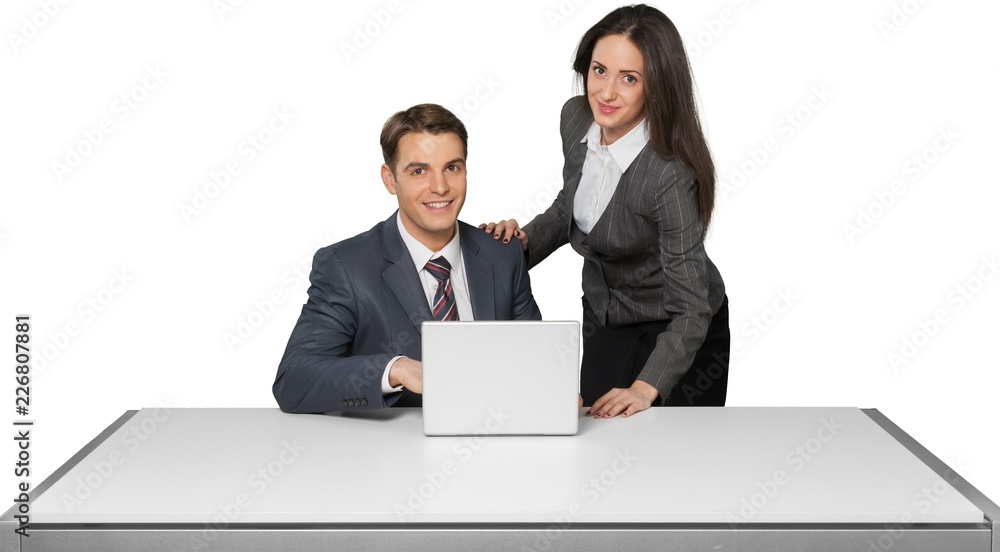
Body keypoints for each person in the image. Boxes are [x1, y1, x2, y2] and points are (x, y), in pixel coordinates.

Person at [483, 5, 729, 418]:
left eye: (629, 78)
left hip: (678, 325)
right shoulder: (576, 117)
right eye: (599, 71)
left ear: (658, 87)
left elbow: (692, 307)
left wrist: (646, 388)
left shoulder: (669, 174)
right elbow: (572, 204)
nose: (606, 93)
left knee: (669, 463)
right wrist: (518, 246)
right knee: (595, 445)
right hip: (604, 316)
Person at [274, 104, 541, 414]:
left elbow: (535, 364)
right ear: (390, 179)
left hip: (496, 442)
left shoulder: (502, 254)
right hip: (393, 455)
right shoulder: (346, 266)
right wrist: (396, 370)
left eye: (452, 167)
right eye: (419, 171)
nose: (440, 187)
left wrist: (554, 393)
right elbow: (293, 380)